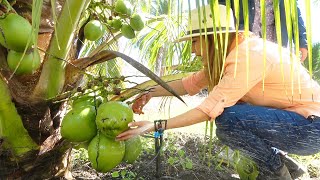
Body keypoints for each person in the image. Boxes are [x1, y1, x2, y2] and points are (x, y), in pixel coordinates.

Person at [116, 4, 320, 180]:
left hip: (312, 128)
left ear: (213, 37)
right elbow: (188, 84)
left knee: (229, 120)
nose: (193, 50)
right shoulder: (228, 55)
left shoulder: (248, 55)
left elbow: (207, 110)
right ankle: (289, 168)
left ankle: (276, 174)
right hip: (299, 124)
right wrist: (149, 92)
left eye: (195, 41)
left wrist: (155, 125)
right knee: (229, 120)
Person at [219, 0, 308, 62]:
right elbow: (221, 7)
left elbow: (295, 13)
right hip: (244, 46)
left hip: (274, 48)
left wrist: (302, 42)